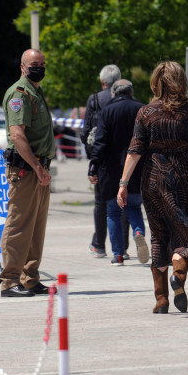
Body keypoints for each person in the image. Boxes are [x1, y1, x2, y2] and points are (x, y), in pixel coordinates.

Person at [117, 61, 188, 313]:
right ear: (181, 82)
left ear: (156, 82)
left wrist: (123, 184)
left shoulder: (146, 112)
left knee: (158, 234)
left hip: (153, 178)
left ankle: (161, 300)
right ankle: (178, 275)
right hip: (182, 175)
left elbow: (134, 151)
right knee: (187, 233)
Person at [0, 48, 56, 298]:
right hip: (26, 170)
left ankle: (30, 278)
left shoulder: (35, 91)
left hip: (39, 168)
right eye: (35, 64)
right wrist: (36, 167)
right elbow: (17, 135)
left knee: (36, 227)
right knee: (19, 225)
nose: (39, 67)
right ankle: (10, 281)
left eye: (42, 63)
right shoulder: (19, 94)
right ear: (22, 66)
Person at [88, 79, 147, 266]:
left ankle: (118, 255)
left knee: (113, 212)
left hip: (112, 171)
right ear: (131, 92)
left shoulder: (107, 111)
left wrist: (94, 165)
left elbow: (100, 142)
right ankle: (138, 233)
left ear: (114, 93)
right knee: (134, 207)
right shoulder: (142, 109)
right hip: (137, 168)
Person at [82, 64, 123, 259]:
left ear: (102, 82)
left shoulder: (95, 99)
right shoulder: (127, 100)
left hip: (101, 157)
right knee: (123, 200)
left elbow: (86, 130)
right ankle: (122, 247)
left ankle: (99, 244)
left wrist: (91, 157)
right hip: (124, 158)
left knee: (101, 202)